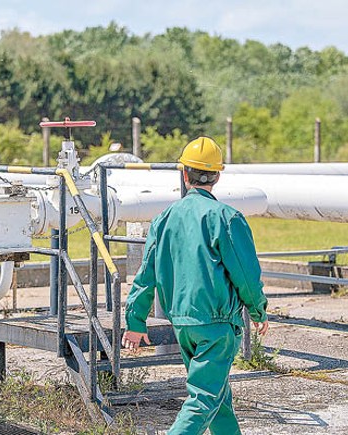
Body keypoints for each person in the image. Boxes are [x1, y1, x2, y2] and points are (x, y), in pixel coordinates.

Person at [122, 136, 269, 435]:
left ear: (185, 174)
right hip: (215, 326)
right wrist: (258, 310)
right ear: (217, 176)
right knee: (204, 399)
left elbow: (145, 274)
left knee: (218, 396)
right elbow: (245, 274)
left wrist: (135, 321)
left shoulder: (163, 219)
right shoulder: (226, 218)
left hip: (183, 326)